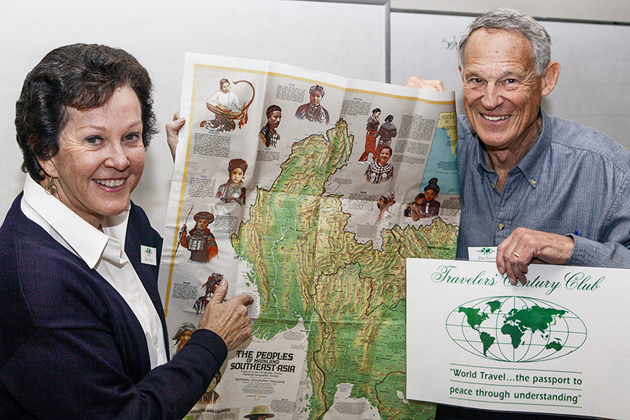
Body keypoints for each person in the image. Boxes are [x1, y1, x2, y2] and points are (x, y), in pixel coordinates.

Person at [0, 43, 254, 420]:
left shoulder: (115, 213)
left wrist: (195, 170)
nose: (120, 160)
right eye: (94, 140)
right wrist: (212, 343)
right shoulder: (36, 286)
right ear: (44, 153)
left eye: (131, 137)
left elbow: (181, 265)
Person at [406, 8, 630, 420]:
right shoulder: (436, 152)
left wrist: (571, 250)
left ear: (547, 80)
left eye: (510, 80)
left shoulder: (607, 169)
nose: (490, 100)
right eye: (476, 80)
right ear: (461, 78)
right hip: (450, 405)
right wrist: (406, 117)